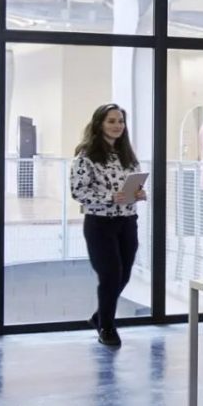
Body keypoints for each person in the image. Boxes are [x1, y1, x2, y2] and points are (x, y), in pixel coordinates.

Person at [69, 103, 145, 348]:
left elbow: (133, 185)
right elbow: (78, 192)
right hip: (100, 224)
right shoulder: (86, 157)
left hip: (127, 220)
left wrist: (138, 193)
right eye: (111, 121)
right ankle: (106, 327)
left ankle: (100, 316)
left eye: (120, 121)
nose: (117, 126)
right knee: (110, 274)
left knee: (124, 273)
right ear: (99, 124)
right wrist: (109, 198)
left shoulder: (127, 157)